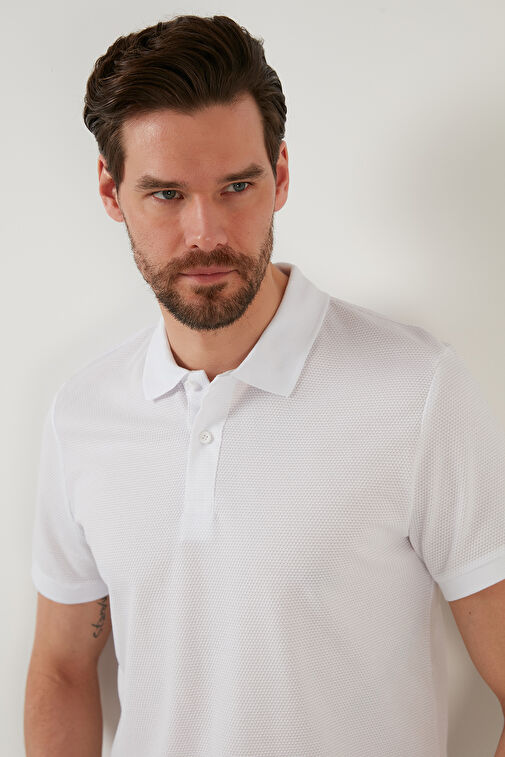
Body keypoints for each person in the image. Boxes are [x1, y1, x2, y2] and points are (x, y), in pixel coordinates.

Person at [24, 14, 505, 757]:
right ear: (111, 191)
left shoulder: (417, 391)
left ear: (279, 175)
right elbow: (61, 668)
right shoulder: (83, 414)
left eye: (236, 186)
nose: (205, 233)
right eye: (166, 194)